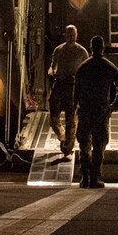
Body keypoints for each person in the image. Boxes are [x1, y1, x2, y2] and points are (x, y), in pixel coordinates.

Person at [73, 35, 118, 188]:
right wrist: (114, 106)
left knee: (85, 145)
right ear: (102, 47)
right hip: (100, 111)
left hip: (86, 111)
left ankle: (85, 177)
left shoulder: (83, 67)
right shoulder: (108, 66)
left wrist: (75, 107)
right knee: (99, 145)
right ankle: (94, 177)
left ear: (91, 48)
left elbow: (76, 91)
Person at [46, 24, 90, 160]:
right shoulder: (58, 50)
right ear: (65, 35)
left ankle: (68, 147)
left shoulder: (82, 52)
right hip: (59, 84)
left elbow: (86, 71)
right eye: (68, 34)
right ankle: (62, 136)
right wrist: (52, 73)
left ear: (76, 35)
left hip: (73, 86)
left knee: (71, 118)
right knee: (53, 118)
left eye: (73, 35)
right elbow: (52, 67)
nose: (71, 37)